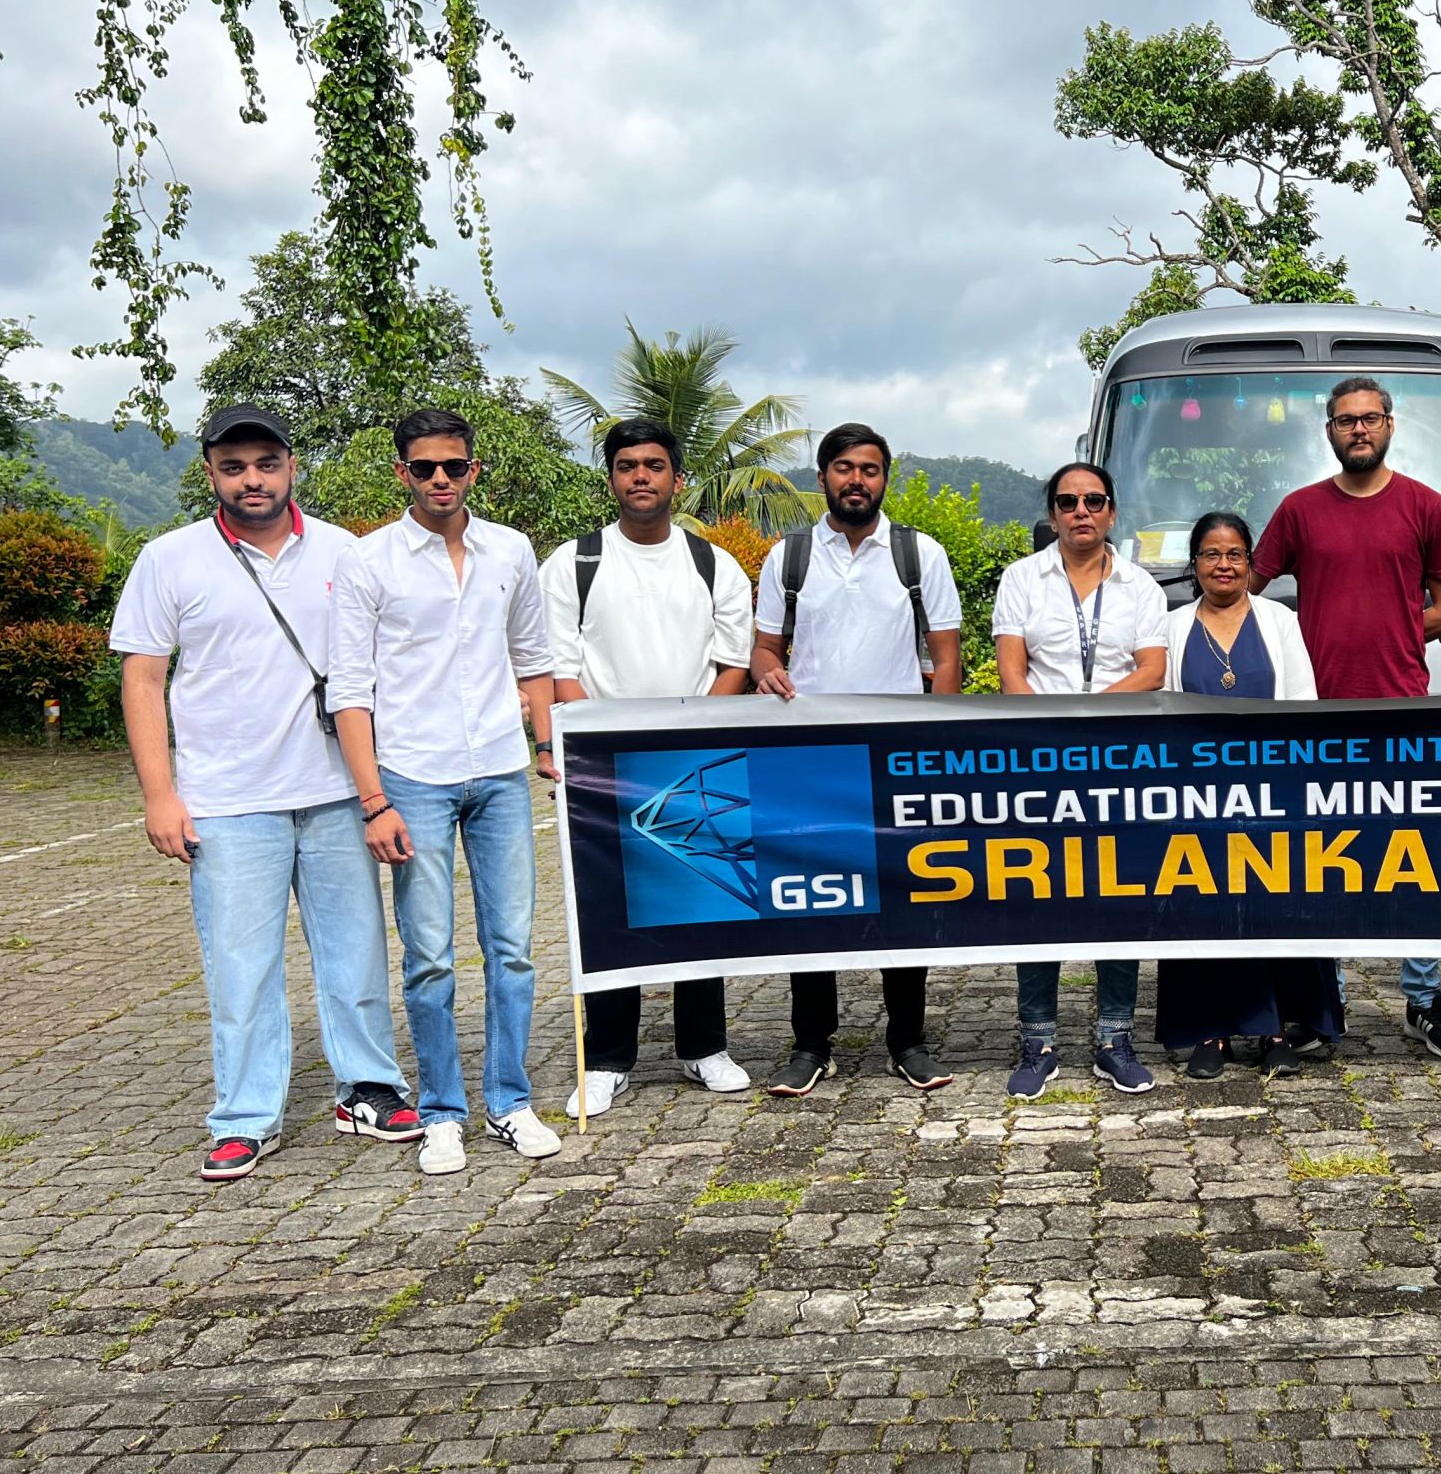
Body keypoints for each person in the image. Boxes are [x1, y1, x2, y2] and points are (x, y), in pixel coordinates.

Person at [112, 405, 420, 1182]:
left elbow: (386, 666)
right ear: (211, 472)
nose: (252, 480)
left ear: (292, 465)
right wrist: (160, 794)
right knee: (240, 966)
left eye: (266, 463)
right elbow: (143, 680)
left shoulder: (347, 553)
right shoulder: (169, 558)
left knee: (354, 953)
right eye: (234, 466)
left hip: (336, 792)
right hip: (225, 798)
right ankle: (245, 1118)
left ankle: (370, 1089)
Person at [329, 406, 562, 1176]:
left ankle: (511, 1101)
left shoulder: (512, 550)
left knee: (514, 951)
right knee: (429, 957)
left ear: (474, 470)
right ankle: (440, 1112)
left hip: (498, 772)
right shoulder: (371, 561)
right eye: (423, 467)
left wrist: (544, 744)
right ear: (401, 473)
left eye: (452, 466)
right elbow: (350, 691)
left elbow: (532, 657)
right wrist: (373, 800)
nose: (439, 479)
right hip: (412, 777)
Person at [1250, 376, 1441, 1057]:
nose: (1358, 430)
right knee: (1328, 863)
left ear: (1390, 425)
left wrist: (1399, 628)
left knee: (1415, 859)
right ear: (1329, 432)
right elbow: (1248, 594)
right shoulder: (1299, 510)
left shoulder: (1424, 506)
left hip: (1402, 711)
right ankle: (1327, 1006)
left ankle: (1424, 998)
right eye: (1345, 421)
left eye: (1369, 419)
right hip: (1316, 715)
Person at [543, 417, 758, 1116]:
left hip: (695, 754)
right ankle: (606, 1058)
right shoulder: (572, 563)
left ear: (677, 478)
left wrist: (685, 730)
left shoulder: (713, 565)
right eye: (628, 465)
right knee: (611, 909)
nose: (642, 476)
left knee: (701, 897)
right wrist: (604, 742)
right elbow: (558, 668)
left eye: (655, 465)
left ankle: (703, 1047)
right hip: (602, 765)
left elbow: (733, 662)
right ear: (610, 478)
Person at [752, 422, 965, 1098]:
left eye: (870, 469)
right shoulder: (787, 557)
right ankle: (812, 1044)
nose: (857, 480)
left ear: (884, 479)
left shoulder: (918, 554)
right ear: (822, 478)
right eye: (844, 468)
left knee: (901, 899)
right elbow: (764, 649)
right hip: (808, 758)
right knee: (810, 902)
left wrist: (940, 744)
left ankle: (909, 1041)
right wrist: (765, 673)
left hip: (898, 757)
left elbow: (948, 656)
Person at [993, 461, 1169, 1098]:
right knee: (1040, 895)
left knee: (1117, 895)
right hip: (1041, 760)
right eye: (1068, 502)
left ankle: (1114, 1038)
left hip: (1119, 761)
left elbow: (1150, 671)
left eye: (1094, 501)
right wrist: (1055, 730)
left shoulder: (1142, 587)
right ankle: (1037, 1039)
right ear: (1053, 514)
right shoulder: (1022, 579)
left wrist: (1090, 716)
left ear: (1112, 512)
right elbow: (1013, 673)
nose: (1081, 512)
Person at [1154, 510, 1339, 1079]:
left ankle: (1278, 1031)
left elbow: (1304, 702)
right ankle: (1210, 1033)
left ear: (1251, 563)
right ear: (1194, 565)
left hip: (1275, 793)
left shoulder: (1279, 619)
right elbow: (1161, 711)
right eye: (1211, 554)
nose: (1224, 564)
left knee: (1274, 909)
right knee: (1205, 909)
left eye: (1235, 553)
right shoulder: (1173, 626)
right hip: (1199, 797)